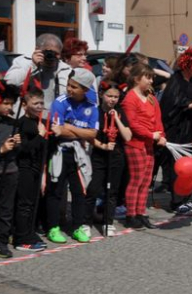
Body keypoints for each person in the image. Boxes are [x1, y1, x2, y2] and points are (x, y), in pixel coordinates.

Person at [45, 68, 99, 244]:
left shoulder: (92, 106)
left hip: (79, 155)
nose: (69, 89)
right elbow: (57, 131)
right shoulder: (59, 102)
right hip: (60, 152)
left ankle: (77, 227)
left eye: (74, 87)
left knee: (79, 192)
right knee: (55, 191)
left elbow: (92, 135)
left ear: (85, 89)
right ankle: (52, 228)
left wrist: (70, 128)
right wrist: (81, 132)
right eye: (69, 85)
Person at [159, 46, 192, 215]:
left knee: (191, 165)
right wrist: (189, 104)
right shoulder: (176, 79)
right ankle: (176, 201)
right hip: (177, 130)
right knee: (178, 166)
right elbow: (169, 104)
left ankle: (186, 199)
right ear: (188, 65)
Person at [82, 83, 131, 238]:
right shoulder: (95, 111)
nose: (112, 100)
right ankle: (86, 222)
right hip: (99, 155)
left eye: (116, 97)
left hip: (116, 156)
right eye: (109, 96)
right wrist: (102, 146)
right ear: (102, 95)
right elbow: (89, 136)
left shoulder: (120, 112)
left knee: (112, 191)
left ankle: (108, 222)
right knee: (93, 189)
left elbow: (128, 136)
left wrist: (116, 119)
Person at [122, 64, 165, 230]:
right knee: (136, 180)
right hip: (135, 144)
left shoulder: (151, 97)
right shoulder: (130, 98)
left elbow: (158, 119)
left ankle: (141, 213)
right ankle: (130, 215)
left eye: (151, 77)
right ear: (136, 78)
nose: (151, 81)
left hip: (149, 144)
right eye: (147, 77)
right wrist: (150, 135)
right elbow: (132, 124)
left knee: (146, 181)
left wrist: (161, 135)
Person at [13, 88, 49, 252]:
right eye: (35, 103)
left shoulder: (37, 121)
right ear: (24, 105)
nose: (39, 106)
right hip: (24, 168)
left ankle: (29, 232)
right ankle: (21, 238)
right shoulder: (22, 123)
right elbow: (24, 149)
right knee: (24, 204)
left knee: (32, 202)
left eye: (41, 103)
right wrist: (40, 136)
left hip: (35, 168)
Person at [5, 33, 72, 112]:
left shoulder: (66, 69)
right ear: (37, 49)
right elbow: (9, 82)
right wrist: (33, 65)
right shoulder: (23, 62)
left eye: (56, 54)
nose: (52, 56)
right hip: (26, 118)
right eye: (49, 52)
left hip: (53, 118)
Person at [0, 82, 21, 258]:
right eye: (6, 103)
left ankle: (0, 241)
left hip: (10, 171)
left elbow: (18, 150)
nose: (9, 107)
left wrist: (17, 144)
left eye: (12, 104)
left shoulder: (13, 123)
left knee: (5, 209)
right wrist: (0, 149)